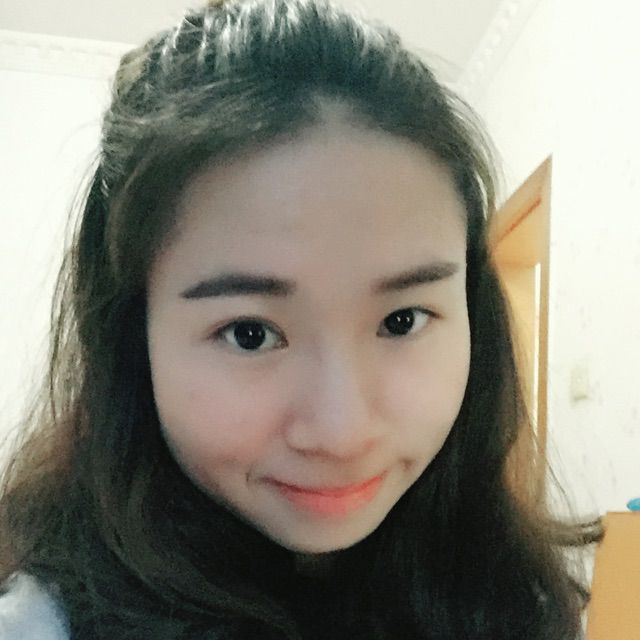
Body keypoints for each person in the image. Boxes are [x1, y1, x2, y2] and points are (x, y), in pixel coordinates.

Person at [0, 0, 603, 638]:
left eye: (402, 320)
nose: (342, 433)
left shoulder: (514, 597)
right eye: (250, 334)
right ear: (132, 337)